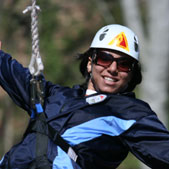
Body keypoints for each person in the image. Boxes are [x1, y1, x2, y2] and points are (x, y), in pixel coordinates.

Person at [0, 24, 169, 169]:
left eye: (124, 64)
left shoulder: (130, 113)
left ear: (132, 74)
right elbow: (11, 74)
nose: (112, 68)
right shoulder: (54, 96)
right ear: (90, 63)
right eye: (105, 58)